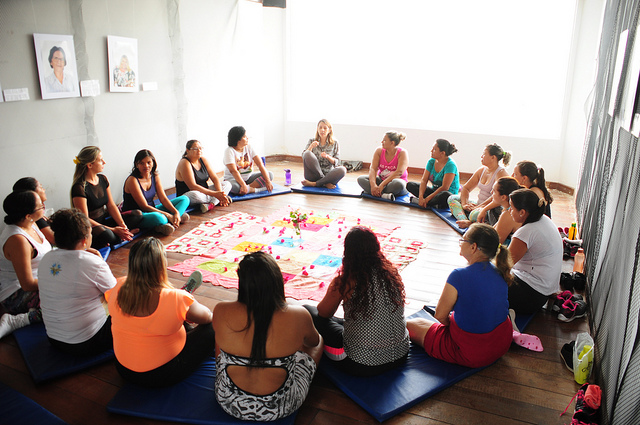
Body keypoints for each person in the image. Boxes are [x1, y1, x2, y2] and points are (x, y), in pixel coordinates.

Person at [213, 251, 322, 421]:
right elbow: (312, 342)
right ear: (276, 280)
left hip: (229, 402)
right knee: (319, 341)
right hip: (281, 406)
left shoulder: (221, 310)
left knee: (220, 339)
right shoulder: (299, 315)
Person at [106, 237, 215, 387]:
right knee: (214, 326)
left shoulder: (117, 284)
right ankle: (187, 307)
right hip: (161, 375)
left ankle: (185, 312)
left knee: (175, 315)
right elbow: (208, 317)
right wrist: (182, 299)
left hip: (124, 370)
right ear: (161, 265)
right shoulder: (174, 298)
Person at [304, 226, 409, 376]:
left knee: (309, 312)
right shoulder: (391, 273)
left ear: (348, 253)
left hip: (362, 363)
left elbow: (323, 313)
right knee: (341, 321)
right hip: (401, 354)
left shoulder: (346, 281)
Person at [406, 224, 513, 368]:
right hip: (501, 343)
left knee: (409, 324)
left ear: (473, 247)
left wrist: (454, 324)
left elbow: (439, 317)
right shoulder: (500, 270)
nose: (460, 243)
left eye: (463, 240)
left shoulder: (459, 275)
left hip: (473, 352)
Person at [38, 209, 117, 356]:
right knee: (129, 304)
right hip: (86, 342)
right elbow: (116, 295)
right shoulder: (91, 262)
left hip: (54, 338)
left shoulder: (46, 258)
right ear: (84, 240)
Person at [0, 191, 52, 339]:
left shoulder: (31, 223)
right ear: (28, 215)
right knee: (66, 303)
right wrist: (57, 282)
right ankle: (15, 321)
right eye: (40, 206)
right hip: (16, 293)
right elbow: (27, 284)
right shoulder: (18, 240)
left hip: (41, 280)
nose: (44, 206)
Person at [71, 146, 142, 249]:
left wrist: (122, 226)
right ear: (90, 165)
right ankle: (121, 236)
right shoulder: (79, 187)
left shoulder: (103, 179)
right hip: (93, 228)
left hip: (105, 221)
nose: (104, 162)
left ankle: (123, 234)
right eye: (100, 160)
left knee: (137, 214)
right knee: (107, 235)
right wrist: (114, 230)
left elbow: (111, 205)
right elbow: (85, 220)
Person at [508, 189, 563, 314]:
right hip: (544, 290)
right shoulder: (544, 219)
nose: (509, 211)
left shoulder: (526, 231)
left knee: (486, 285)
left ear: (522, 212)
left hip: (532, 296)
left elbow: (504, 264)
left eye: (511, 208)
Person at [123, 149, 190, 236]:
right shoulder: (132, 180)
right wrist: (167, 214)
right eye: (142, 163)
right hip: (138, 215)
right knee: (159, 218)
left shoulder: (155, 176)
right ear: (136, 164)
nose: (146, 166)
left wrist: (176, 212)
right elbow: (144, 206)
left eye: (148, 162)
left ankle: (174, 218)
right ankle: (171, 220)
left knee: (184, 199)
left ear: (153, 162)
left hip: (152, 209)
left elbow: (163, 198)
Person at [448, 143, 511, 227]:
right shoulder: (482, 170)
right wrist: (465, 204)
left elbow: (497, 198)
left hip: (489, 209)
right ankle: (464, 220)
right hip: (478, 205)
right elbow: (466, 188)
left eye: (484, 154)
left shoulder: (501, 173)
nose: (481, 156)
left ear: (493, 157)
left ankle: (471, 222)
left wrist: (480, 207)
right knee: (452, 198)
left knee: (474, 215)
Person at [175, 139, 232, 213]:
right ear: (187, 150)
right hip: (190, 195)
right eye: (195, 149)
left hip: (205, 192)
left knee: (227, 184)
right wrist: (215, 194)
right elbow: (193, 186)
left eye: (200, 148)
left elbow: (215, 178)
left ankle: (211, 204)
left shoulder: (203, 160)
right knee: (195, 194)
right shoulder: (185, 163)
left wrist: (220, 194)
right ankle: (216, 200)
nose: (199, 151)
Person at [407, 139, 460, 209]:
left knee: (445, 195)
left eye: (434, 149)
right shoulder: (431, 161)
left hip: (446, 194)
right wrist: (421, 197)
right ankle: (432, 204)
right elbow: (424, 180)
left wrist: (427, 199)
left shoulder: (450, 165)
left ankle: (426, 202)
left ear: (442, 153)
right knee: (410, 185)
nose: (431, 151)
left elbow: (445, 187)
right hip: (435, 192)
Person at [357, 131, 409, 200]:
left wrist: (382, 185)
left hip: (395, 182)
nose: (382, 142)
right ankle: (384, 194)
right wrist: (373, 185)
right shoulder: (379, 151)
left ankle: (374, 193)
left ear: (392, 143)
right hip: (381, 180)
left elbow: (399, 172)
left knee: (399, 184)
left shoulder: (402, 153)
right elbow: (373, 168)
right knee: (361, 179)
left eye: (384, 140)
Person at [223, 126, 274, 196]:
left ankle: (247, 189)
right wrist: (243, 184)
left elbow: (260, 164)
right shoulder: (229, 151)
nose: (247, 138)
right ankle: (256, 190)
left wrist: (268, 181)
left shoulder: (249, 147)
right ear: (238, 139)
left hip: (249, 178)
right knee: (233, 187)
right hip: (234, 180)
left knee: (270, 175)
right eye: (244, 136)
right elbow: (233, 171)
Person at [301, 119, 347, 189]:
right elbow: (304, 157)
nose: (322, 130)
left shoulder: (335, 143)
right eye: (320, 127)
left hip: (328, 176)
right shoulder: (312, 141)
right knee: (307, 153)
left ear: (329, 130)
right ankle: (324, 183)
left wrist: (328, 157)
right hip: (313, 175)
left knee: (343, 169)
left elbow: (337, 162)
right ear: (317, 129)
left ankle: (315, 184)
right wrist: (311, 147)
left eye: (325, 128)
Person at [12, 177, 55, 244]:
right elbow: (55, 239)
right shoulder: (34, 216)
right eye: (41, 187)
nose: (44, 190)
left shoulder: (36, 215)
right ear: (32, 193)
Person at [491, 177, 522, 244]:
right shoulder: (509, 208)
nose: (491, 193)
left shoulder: (509, 214)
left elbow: (495, 244)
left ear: (503, 197)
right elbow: (492, 230)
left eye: (494, 191)